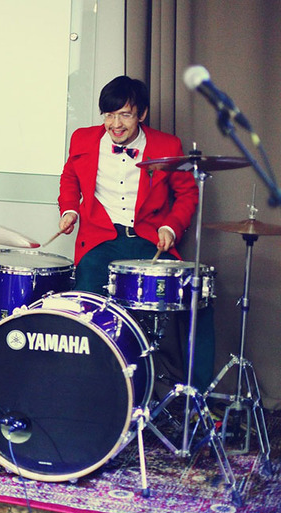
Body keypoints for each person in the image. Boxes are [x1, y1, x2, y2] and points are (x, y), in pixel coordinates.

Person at [57, 75, 213, 391]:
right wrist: (70, 209)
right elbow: (69, 179)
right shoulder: (83, 139)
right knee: (87, 305)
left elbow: (187, 194)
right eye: (109, 115)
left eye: (124, 115)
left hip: (148, 241)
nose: (115, 124)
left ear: (141, 114)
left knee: (197, 295)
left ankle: (197, 394)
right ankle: (89, 388)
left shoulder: (168, 146)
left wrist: (170, 226)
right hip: (101, 240)